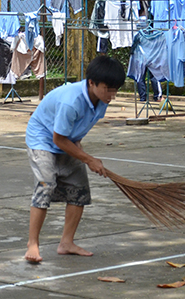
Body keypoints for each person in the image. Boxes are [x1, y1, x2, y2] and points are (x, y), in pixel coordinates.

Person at [24, 55, 126, 263]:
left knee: (79, 190)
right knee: (46, 184)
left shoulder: (102, 101)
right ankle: (32, 243)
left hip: (66, 139)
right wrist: (88, 159)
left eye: (116, 90)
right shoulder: (71, 101)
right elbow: (58, 139)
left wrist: (80, 151)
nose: (112, 95)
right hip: (42, 139)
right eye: (108, 89)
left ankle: (66, 243)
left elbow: (75, 131)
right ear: (91, 83)